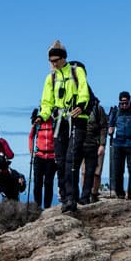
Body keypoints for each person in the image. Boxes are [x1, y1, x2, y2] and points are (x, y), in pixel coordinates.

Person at [34, 40, 90, 213]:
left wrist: (81, 104)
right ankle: (65, 197)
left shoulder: (76, 71)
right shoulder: (50, 77)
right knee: (59, 160)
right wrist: (41, 116)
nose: (54, 63)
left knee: (71, 159)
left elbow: (83, 91)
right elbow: (46, 101)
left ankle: (72, 199)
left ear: (63, 58)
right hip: (59, 122)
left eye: (56, 60)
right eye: (51, 61)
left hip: (77, 119)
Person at [108, 91, 131, 200]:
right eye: (122, 103)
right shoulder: (115, 112)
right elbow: (110, 124)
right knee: (118, 170)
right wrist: (110, 129)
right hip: (118, 144)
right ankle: (119, 193)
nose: (124, 105)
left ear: (129, 101)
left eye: (126, 103)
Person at [79, 94, 108, 204]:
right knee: (84, 172)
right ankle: (84, 194)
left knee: (96, 172)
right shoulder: (79, 108)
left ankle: (94, 194)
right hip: (83, 144)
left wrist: (102, 144)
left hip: (95, 144)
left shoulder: (98, 109)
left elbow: (103, 127)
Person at [28, 108, 57, 208]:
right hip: (39, 157)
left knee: (48, 183)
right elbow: (31, 137)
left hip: (51, 157)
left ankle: (47, 207)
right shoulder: (38, 123)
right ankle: (37, 206)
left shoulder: (54, 122)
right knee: (37, 183)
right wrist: (32, 151)